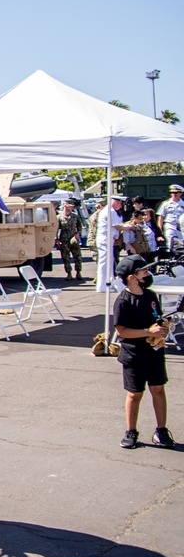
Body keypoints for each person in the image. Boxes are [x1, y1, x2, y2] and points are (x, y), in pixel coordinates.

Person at [113, 255, 176, 450]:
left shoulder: (150, 295)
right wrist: (148, 332)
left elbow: (156, 319)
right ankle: (131, 431)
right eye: (144, 272)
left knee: (158, 388)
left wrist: (163, 328)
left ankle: (162, 430)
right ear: (132, 277)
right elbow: (121, 331)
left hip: (154, 352)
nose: (148, 275)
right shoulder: (123, 301)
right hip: (134, 355)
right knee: (135, 393)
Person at [95, 195, 132, 292]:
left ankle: (109, 282)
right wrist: (129, 226)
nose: (121, 206)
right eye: (120, 203)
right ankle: (102, 285)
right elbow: (118, 227)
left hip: (107, 238)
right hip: (105, 239)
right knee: (105, 262)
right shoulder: (111, 211)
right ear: (115, 201)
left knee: (109, 261)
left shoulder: (109, 211)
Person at [56, 199, 84, 281]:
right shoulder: (59, 217)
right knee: (66, 258)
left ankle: (78, 272)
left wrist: (78, 233)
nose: (72, 207)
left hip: (73, 239)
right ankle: (69, 273)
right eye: (70, 206)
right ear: (65, 205)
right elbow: (56, 229)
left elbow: (79, 226)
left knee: (77, 256)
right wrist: (56, 239)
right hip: (64, 239)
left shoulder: (75, 216)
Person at [156, 184, 184, 252]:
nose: (174, 194)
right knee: (170, 243)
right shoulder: (166, 203)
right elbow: (161, 217)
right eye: (172, 192)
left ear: (180, 193)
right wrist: (160, 230)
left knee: (181, 243)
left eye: (176, 193)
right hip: (170, 225)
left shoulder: (183, 204)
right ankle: (171, 257)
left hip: (181, 228)